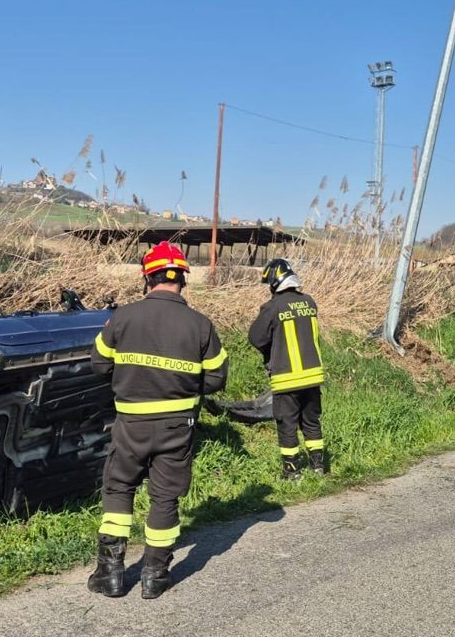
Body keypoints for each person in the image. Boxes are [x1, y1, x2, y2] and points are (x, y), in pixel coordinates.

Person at [88, 241, 228, 599]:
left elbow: (99, 365)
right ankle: (155, 576)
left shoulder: (121, 318)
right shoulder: (201, 325)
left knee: (119, 488)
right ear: (183, 278)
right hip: (177, 427)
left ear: (147, 278)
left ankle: (111, 574)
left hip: (130, 424)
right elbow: (216, 379)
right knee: (165, 498)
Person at [248, 258, 325, 480]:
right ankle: (318, 467)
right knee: (311, 421)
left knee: (287, 424)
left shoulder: (273, 307)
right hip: (313, 377)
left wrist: (270, 350)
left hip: (287, 379)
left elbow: (256, 337)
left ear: (275, 283)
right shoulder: (309, 302)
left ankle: (292, 472)